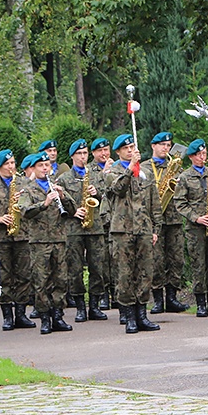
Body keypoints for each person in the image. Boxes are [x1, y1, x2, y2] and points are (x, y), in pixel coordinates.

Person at [105, 134, 162, 334]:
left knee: (145, 272)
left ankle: (142, 315)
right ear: (118, 152)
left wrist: (156, 229)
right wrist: (130, 168)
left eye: (132, 147)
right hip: (122, 231)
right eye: (126, 148)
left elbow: (154, 202)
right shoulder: (112, 172)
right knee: (124, 274)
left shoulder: (145, 172)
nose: (130, 150)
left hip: (143, 230)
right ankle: (129, 316)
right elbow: (118, 189)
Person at [173, 139, 208, 317]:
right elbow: (180, 203)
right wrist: (196, 218)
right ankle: (200, 302)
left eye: (204, 154)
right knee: (198, 264)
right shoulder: (184, 177)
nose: (202, 157)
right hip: (195, 227)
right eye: (199, 155)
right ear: (191, 157)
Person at [55, 139, 108, 322]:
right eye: (79, 154)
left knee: (97, 266)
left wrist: (97, 193)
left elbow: (108, 198)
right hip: (74, 228)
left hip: (95, 227)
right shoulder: (63, 178)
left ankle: (95, 305)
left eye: (85, 153)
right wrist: (73, 211)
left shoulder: (96, 175)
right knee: (74, 268)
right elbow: (58, 204)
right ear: (72, 156)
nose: (83, 157)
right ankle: (80, 307)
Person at [27, 151, 77, 334]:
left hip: (59, 240)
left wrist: (63, 197)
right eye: (41, 166)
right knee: (41, 281)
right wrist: (44, 203)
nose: (45, 169)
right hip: (39, 242)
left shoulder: (57, 186)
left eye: (47, 165)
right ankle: (45, 317)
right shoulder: (28, 189)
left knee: (61, 280)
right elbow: (25, 211)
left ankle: (58, 315)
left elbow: (73, 210)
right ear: (33, 169)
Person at [0, 149, 36, 331]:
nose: (11, 167)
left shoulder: (23, 182)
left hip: (22, 234)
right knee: (5, 275)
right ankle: (7, 315)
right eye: (8, 164)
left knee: (24, 274)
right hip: (2, 236)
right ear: (0, 166)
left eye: (13, 163)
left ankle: (21, 313)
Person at [144, 132, 188, 314]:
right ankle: (157, 300)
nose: (165, 148)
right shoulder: (145, 167)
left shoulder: (175, 166)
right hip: (153, 219)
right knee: (156, 260)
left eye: (168, 145)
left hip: (174, 218)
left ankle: (172, 297)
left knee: (176, 259)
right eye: (162, 144)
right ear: (153, 146)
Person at [89, 138, 114, 310]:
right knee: (102, 260)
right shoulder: (89, 171)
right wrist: (104, 174)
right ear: (93, 154)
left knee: (116, 259)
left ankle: (117, 294)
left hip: (116, 220)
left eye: (106, 150)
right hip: (98, 222)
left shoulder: (118, 167)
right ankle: (104, 294)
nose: (104, 153)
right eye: (100, 151)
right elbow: (96, 193)